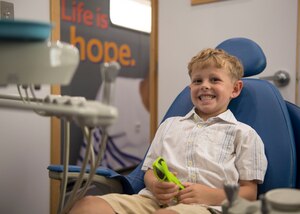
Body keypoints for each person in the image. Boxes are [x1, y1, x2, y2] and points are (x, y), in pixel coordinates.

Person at [69, 48, 268, 214]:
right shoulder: (170, 125)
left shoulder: (244, 134)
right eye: (198, 81)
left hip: (209, 207)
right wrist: (155, 185)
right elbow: (149, 172)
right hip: (154, 201)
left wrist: (210, 194)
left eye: (215, 80)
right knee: (87, 206)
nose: (205, 86)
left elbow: (249, 193)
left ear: (235, 89)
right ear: (190, 86)